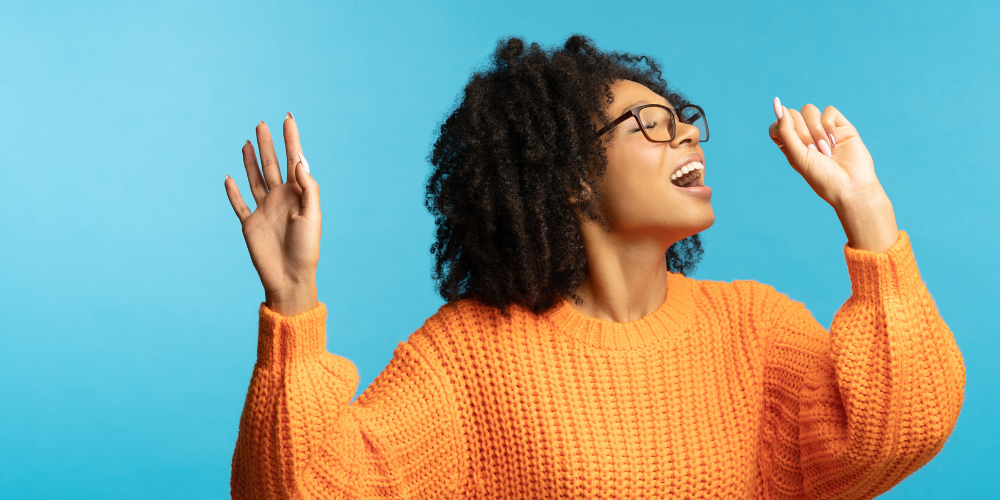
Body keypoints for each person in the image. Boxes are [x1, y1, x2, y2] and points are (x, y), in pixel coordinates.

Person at [222, 35, 965, 499]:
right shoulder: (468, 358)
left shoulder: (753, 328)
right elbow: (307, 490)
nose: (685, 137)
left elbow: (897, 430)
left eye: (682, 119)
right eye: (650, 124)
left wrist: (867, 211)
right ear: (571, 175)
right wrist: (292, 300)